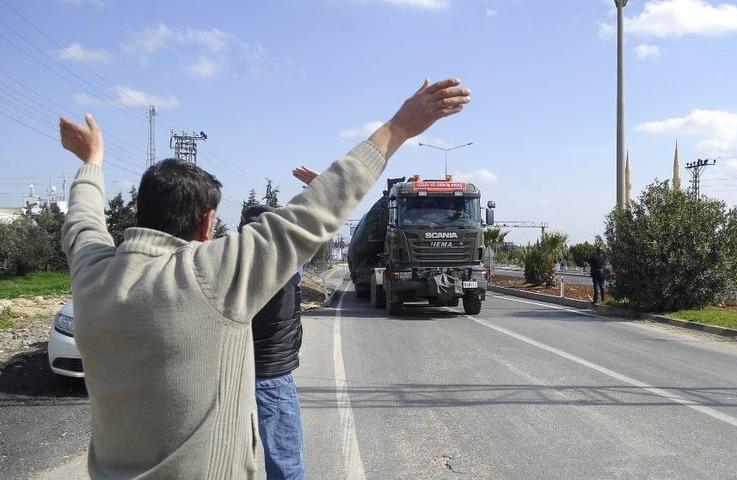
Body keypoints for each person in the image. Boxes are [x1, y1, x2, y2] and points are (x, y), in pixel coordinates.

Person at [59, 78, 470, 479]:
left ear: (139, 213)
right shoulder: (210, 276)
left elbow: (83, 222)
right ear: (207, 225)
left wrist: (91, 164)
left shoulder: (93, 276)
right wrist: (399, 128)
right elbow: (315, 211)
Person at [242, 205, 305, 480]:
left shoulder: (227, 268)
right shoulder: (289, 266)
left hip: (232, 376)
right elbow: (316, 227)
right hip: (273, 377)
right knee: (284, 463)